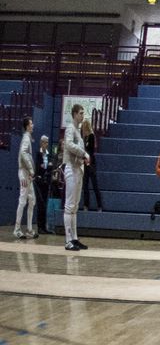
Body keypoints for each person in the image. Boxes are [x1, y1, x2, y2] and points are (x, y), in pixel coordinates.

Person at [61, 105, 91, 251]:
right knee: (69, 206)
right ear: (74, 114)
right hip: (70, 169)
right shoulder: (70, 128)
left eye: (83, 113)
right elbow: (68, 145)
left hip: (78, 169)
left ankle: (74, 238)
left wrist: (83, 158)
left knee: (74, 207)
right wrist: (84, 154)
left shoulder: (78, 131)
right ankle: (68, 241)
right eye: (80, 113)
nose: (82, 115)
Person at [77, 109, 102, 213]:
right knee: (85, 185)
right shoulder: (83, 138)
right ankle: (86, 205)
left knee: (95, 184)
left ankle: (99, 205)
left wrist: (87, 159)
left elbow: (90, 150)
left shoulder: (91, 136)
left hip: (91, 163)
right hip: (84, 163)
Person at [14, 121, 34, 239]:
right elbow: (23, 153)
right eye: (31, 124)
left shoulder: (28, 137)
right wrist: (31, 170)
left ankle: (29, 229)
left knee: (32, 200)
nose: (33, 125)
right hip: (24, 173)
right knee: (23, 201)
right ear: (27, 126)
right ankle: (17, 229)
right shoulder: (26, 138)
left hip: (27, 173)